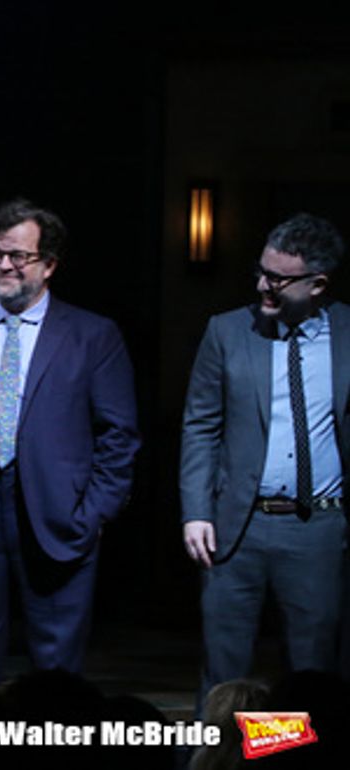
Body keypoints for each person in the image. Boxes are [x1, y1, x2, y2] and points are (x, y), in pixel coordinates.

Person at [0, 198, 139, 688]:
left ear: (49, 264)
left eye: (18, 255)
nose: (4, 265)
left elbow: (119, 434)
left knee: (56, 664)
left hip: (59, 513)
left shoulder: (92, 335)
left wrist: (94, 512)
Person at [180, 213, 349, 704]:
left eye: (277, 279)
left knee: (310, 673)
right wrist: (196, 511)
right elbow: (200, 425)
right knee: (224, 669)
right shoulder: (227, 331)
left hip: (317, 528)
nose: (262, 286)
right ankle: (219, 747)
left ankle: (291, 746)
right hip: (238, 527)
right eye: (261, 272)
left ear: (317, 284)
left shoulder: (346, 332)